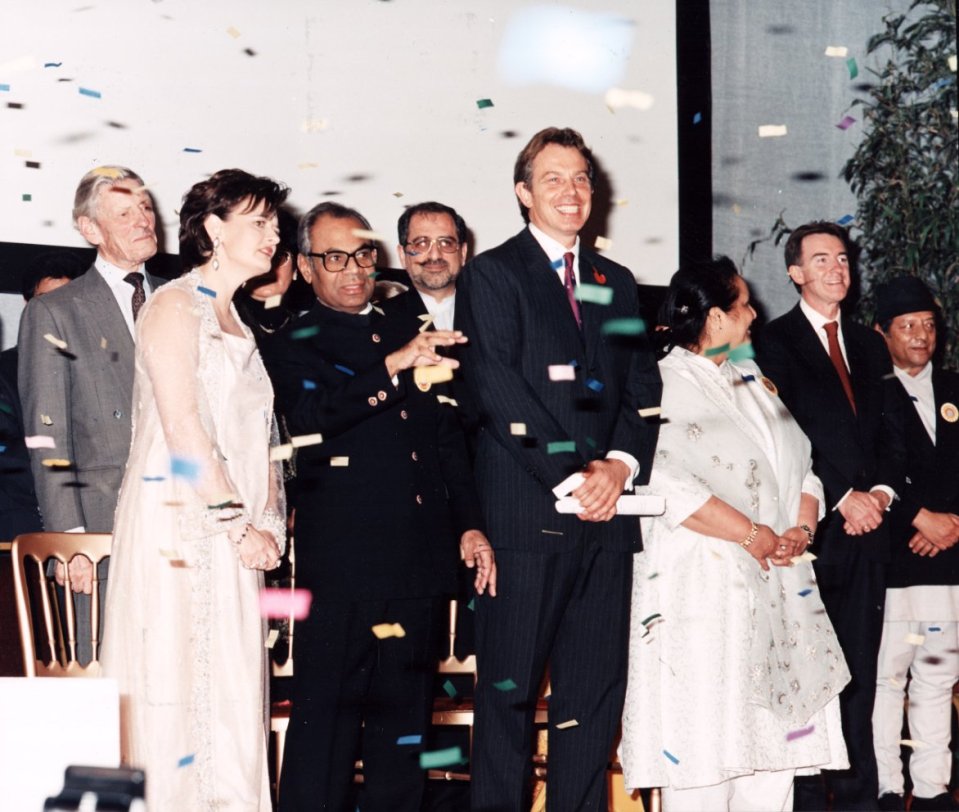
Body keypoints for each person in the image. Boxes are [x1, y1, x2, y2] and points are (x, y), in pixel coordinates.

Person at [260, 202, 495, 811]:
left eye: (363, 255)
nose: (353, 270)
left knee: (404, 739)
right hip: (341, 572)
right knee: (325, 738)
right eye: (335, 258)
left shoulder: (403, 331)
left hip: (415, 564)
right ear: (307, 268)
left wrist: (469, 524)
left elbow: (445, 442)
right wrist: (393, 367)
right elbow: (309, 424)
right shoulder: (291, 342)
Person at [455, 126, 662, 811]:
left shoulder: (618, 282)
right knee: (508, 701)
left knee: (592, 701)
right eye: (552, 179)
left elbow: (641, 392)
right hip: (525, 520)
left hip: (607, 526)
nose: (570, 192)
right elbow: (496, 389)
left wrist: (619, 467)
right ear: (522, 193)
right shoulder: (491, 274)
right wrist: (577, 476)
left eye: (580, 178)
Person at [619, 257, 850, 811]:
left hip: (774, 587)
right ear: (715, 319)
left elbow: (803, 465)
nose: (753, 314)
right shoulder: (666, 381)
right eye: (743, 304)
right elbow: (666, 482)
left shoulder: (751, 380)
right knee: (702, 743)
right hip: (700, 591)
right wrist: (751, 535)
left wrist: (800, 527)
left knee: (770, 752)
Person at [100, 169, 288, 810]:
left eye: (273, 223)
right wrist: (238, 524)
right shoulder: (173, 306)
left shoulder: (239, 321)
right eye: (259, 222)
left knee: (227, 687)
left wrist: (270, 521)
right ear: (214, 228)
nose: (273, 235)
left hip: (233, 533)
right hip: (178, 527)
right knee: (176, 684)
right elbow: (182, 427)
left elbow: (261, 440)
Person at [756, 221, 905, 810]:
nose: (837, 270)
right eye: (822, 260)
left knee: (862, 674)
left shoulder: (871, 344)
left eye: (842, 259)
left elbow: (895, 433)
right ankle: (807, 797)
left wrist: (883, 496)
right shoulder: (772, 342)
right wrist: (844, 496)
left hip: (870, 532)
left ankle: (859, 796)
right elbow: (787, 436)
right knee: (812, 671)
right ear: (795, 272)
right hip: (813, 528)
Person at [17, 166, 163, 660]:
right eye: (126, 213)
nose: (144, 220)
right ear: (91, 230)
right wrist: (70, 540)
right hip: (101, 534)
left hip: (181, 530)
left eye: (145, 207)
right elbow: (48, 435)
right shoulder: (56, 310)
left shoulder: (182, 301)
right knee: (105, 677)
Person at [870, 277, 959, 812]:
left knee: (937, 676)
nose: (920, 336)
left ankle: (932, 791)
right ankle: (885, 787)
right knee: (887, 680)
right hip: (893, 560)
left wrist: (953, 524)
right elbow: (867, 471)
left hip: (949, 561)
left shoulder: (955, 387)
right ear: (882, 333)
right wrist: (917, 519)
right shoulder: (868, 392)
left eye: (928, 324)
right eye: (907, 326)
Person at [1, 251, 86, 539]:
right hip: (21, 533)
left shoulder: (96, 371)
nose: (55, 314)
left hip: (91, 526)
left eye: (66, 303)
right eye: (46, 302)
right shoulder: (3, 371)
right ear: (28, 306)